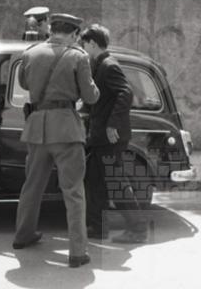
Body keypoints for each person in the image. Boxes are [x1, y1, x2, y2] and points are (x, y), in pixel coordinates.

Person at [12, 13, 100, 268]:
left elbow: (24, 83)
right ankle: (77, 253)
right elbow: (91, 97)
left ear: (51, 30)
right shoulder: (78, 57)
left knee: (32, 186)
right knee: (73, 192)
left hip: (37, 127)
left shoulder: (30, 53)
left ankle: (23, 236)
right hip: (66, 130)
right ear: (73, 33)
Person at [79, 24, 148, 244]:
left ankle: (138, 229)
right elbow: (101, 99)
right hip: (99, 137)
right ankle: (97, 227)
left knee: (115, 182)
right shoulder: (100, 64)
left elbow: (125, 93)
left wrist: (112, 125)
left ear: (92, 43)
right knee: (94, 181)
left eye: (84, 44)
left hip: (110, 137)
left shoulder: (109, 65)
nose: (83, 49)